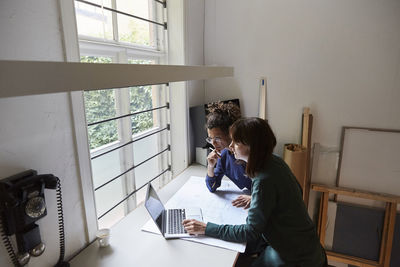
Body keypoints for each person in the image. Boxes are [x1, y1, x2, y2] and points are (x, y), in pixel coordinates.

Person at [184, 118, 327, 267]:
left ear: (253, 147)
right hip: (307, 245)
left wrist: (206, 228)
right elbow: (297, 190)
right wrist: (261, 200)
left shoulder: (264, 179)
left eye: (236, 143)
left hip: (296, 257)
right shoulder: (275, 161)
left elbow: (250, 232)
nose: (231, 146)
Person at [205, 101, 252, 209]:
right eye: (210, 139)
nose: (213, 143)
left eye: (217, 138)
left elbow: (270, 186)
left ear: (231, 134)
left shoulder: (247, 152)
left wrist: (255, 198)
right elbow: (212, 187)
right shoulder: (224, 155)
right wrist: (211, 166)